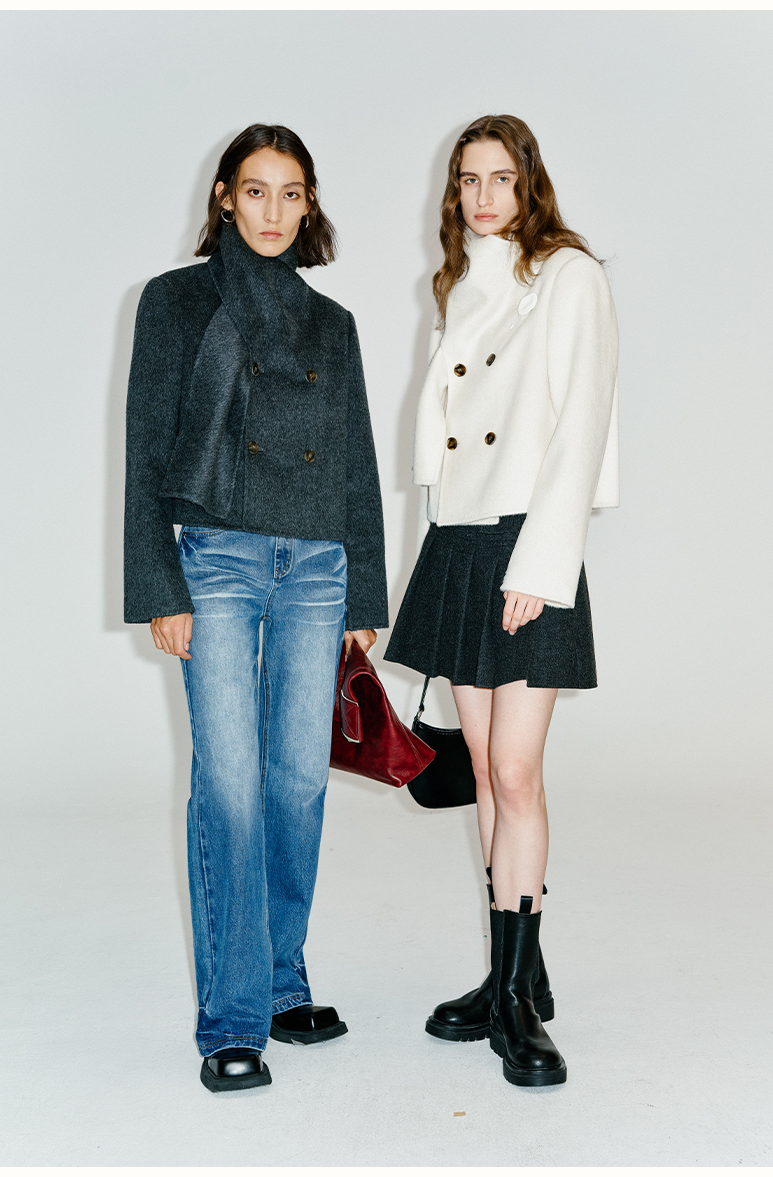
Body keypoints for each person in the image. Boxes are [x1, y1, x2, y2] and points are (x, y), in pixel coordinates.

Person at [124, 124, 388, 1093]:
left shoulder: (334, 323)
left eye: (291, 193)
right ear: (225, 198)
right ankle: (233, 1016)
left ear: (309, 204)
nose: (273, 210)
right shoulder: (175, 302)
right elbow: (144, 448)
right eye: (256, 190)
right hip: (219, 561)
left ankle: (282, 980)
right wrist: (160, 584)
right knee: (230, 783)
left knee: (299, 783)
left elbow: (356, 460)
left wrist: (365, 589)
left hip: (318, 564)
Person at [384, 114, 619, 1087]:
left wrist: (541, 566)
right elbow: (440, 456)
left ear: (530, 184)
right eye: (467, 180)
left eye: (500, 179)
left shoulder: (568, 275)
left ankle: (518, 1001)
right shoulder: (456, 285)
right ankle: (507, 974)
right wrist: (431, 564)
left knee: (516, 772)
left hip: (528, 544)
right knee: (482, 768)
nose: (483, 197)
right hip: (459, 544)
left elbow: (582, 424)